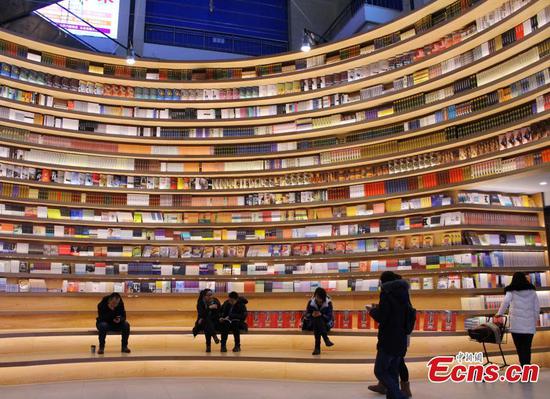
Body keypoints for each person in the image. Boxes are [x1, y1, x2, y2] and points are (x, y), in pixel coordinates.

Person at [368, 271, 415, 399]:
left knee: (380, 370)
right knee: (393, 371)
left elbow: (383, 317)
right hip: (401, 337)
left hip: (388, 338)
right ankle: (394, 395)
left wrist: (372, 311)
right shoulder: (404, 292)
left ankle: (399, 395)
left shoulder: (386, 293)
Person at [496, 272, 540, 366]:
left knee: (519, 348)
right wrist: (534, 319)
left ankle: (523, 368)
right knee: (527, 348)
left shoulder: (511, 290)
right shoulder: (532, 291)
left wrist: (499, 314)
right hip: (529, 326)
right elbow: (537, 307)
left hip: (516, 326)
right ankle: (526, 369)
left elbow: (505, 303)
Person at [302, 287, 334, 355]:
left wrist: (321, 314)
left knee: (318, 319)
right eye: (317, 297)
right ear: (315, 296)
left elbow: (330, 317)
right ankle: (326, 339)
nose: (319, 300)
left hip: (325, 325)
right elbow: (306, 314)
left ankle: (317, 348)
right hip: (312, 324)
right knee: (317, 319)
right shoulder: (311, 302)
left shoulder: (328, 303)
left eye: (320, 298)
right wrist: (311, 314)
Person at [192, 288, 221, 352]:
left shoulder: (215, 300)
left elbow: (219, 311)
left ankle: (208, 346)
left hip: (213, 321)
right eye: (209, 295)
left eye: (211, 295)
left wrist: (215, 308)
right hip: (202, 322)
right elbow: (201, 313)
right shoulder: (200, 303)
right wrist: (209, 307)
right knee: (207, 321)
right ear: (204, 296)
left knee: (207, 325)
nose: (211, 296)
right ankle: (214, 336)